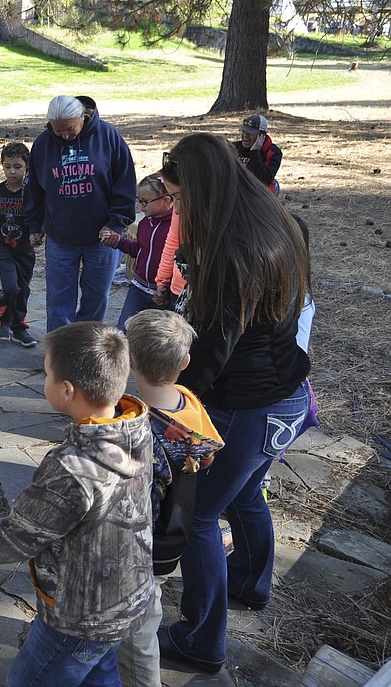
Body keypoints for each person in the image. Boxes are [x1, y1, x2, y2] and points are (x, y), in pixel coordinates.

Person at [157, 133, 310, 675]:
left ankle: (202, 640)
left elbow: (214, 350)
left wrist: (169, 396)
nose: (175, 208)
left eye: (178, 199)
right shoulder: (276, 221)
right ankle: (249, 582)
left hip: (249, 406)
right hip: (287, 397)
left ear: (202, 190)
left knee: (199, 515)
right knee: (245, 495)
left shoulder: (230, 252)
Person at [0, 321, 153, 687]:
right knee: (99, 675)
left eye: (47, 373)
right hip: (125, 597)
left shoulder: (71, 468)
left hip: (79, 615)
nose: (45, 379)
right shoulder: (136, 429)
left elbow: (23, 532)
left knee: (29, 680)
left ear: (67, 390)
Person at [119, 310, 223, 687]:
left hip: (144, 550)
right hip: (175, 534)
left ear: (129, 360)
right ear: (185, 363)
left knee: (139, 632)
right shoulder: (188, 402)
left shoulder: (140, 432)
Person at [25, 95, 137, 331]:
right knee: (58, 301)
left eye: (70, 129)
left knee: (96, 299)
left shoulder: (108, 137)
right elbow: (34, 188)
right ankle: (60, 355)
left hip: (102, 237)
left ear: (82, 117)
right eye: (58, 130)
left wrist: (116, 223)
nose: (65, 135)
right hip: (61, 237)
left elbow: (125, 184)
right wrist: (34, 226)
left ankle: (87, 349)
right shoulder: (44, 144)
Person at [99, 174, 175, 329]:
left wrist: (166, 288)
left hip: (162, 294)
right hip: (138, 288)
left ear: (166, 200)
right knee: (124, 330)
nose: (141, 206)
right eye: (139, 200)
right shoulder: (145, 224)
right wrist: (118, 242)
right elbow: (139, 250)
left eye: (145, 202)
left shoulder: (175, 228)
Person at [0, 141, 38, 347]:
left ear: (27, 167)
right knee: (10, 288)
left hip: (25, 250)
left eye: (17, 167)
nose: (12, 171)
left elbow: (39, 219)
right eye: (7, 166)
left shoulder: (32, 192)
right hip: (3, 248)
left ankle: (15, 324)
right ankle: (12, 324)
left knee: (22, 290)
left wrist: (38, 234)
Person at [233, 114, 282, 195]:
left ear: (261, 136)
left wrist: (255, 152)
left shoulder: (274, 152)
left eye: (250, 133)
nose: (245, 136)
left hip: (258, 189)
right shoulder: (234, 147)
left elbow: (264, 179)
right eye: (244, 131)